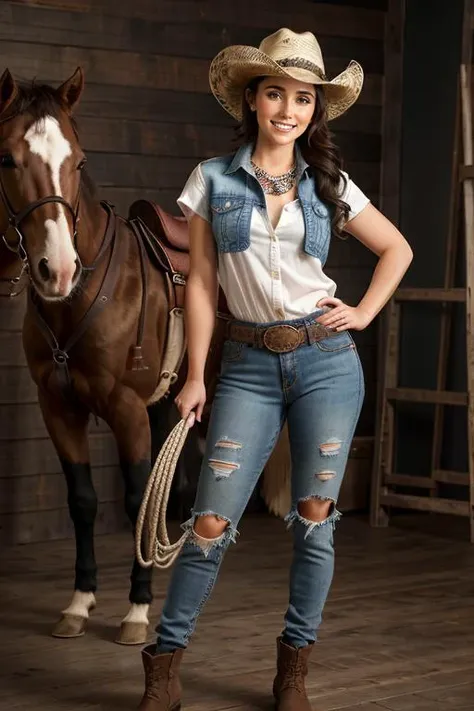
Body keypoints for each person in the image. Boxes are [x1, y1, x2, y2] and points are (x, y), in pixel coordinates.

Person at [138, 28, 413, 711]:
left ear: (314, 110)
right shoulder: (210, 179)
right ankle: (163, 670)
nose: (288, 109)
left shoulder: (331, 183)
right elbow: (201, 282)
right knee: (208, 523)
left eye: (302, 98)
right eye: (275, 94)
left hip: (327, 362)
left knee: (316, 515)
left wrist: (363, 313)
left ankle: (293, 673)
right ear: (253, 101)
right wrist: (195, 374)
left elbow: (397, 250)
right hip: (248, 365)